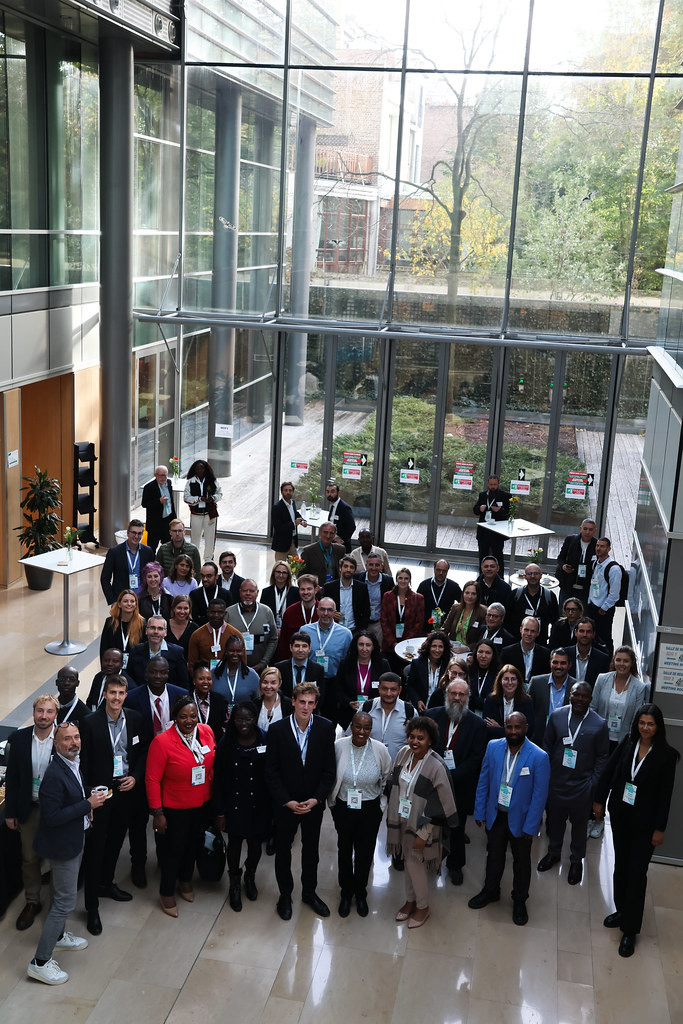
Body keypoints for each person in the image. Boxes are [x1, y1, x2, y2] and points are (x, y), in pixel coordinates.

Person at [593, 704, 679, 957]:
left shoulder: (666, 756)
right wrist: (599, 800)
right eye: (642, 723)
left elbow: (665, 797)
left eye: (650, 724)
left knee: (636, 873)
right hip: (621, 817)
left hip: (646, 825)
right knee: (621, 867)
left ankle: (630, 930)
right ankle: (621, 910)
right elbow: (609, 771)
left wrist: (659, 829)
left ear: (658, 727)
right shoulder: (628, 743)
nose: (645, 728)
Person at [27, 721, 108, 986]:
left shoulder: (72, 763)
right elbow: (51, 817)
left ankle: (60, 937)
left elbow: (71, 799)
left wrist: (87, 807)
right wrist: (88, 804)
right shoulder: (53, 775)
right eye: (67, 739)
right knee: (64, 902)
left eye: (76, 737)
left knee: (60, 896)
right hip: (63, 846)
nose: (73, 742)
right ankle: (40, 962)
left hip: (74, 837)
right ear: (55, 743)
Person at [79, 676, 148, 934]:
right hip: (100, 793)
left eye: (121, 693)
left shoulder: (136, 718)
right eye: (112, 693)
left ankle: (106, 883)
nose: (117, 697)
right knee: (96, 847)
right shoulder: (89, 723)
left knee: (117, 839)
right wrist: (88, 798)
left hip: (125, 790)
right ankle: (91, 906)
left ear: (126, 695)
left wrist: (136, 777)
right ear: (104, 694)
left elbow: (142, 753)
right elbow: (83, 764)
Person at [469, 712, 550, 926]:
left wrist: (531, 825)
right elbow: (484, 780)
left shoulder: (539, 756)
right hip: (495, 815)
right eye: (509, 727)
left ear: (526, 728)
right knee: (494, 856)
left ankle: (520, 900)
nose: (513, 731)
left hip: (522, 821)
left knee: (522, 863)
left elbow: (539, 796)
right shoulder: (493, 747)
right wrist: (479, 811)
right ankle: (491, 891)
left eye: (517, 727)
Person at [264, 682, 337, 920]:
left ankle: (309, 893)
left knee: (311, 852)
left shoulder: (326, 729)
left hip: (313, 804)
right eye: (301, 702)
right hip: (286, 805)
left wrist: (316, 799)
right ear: (293, 702)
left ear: (316, 705)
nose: (305, 707)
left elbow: (329, 771)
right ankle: (285, 895)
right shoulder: (277, 730)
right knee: (283, 850)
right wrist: (287, 801)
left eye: (310, 703)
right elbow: (271, 771)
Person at [145, 695, 216, 917]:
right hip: (175, 808)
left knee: (193, 846)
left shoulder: (206, 732)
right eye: (183, 716)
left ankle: (185, 880)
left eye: (193, 715)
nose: (189, 720)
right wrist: (157, 813)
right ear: (175, 718)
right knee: (173, 851)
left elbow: (212, 764)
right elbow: (152, 779)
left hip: (202, 804)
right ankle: (166, 891)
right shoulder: (162, 742)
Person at [386, 715, 457, 929]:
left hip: (423, 827)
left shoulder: (436, 766)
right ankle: (410, 902)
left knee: (414, 863)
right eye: (412, 736)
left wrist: (424, 833)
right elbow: (393, 783)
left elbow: (443, 804)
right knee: (408, 861)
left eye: (421, 738)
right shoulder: (403, 754)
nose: (414, 742)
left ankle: (423, 907)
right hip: (402, 819)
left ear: (430, 741)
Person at [537, 682, 609, 885]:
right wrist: (547, 775)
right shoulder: (558, 716)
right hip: (557, 782)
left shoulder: (599, 724)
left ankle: (577, 860)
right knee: (555, 822)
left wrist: (592, 783)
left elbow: (603, 756)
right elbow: (547, 745)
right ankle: (553, 853)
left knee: (579, 827)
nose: (580, 699)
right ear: (570, 695)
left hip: (582, 786)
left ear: (591, 700)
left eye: (584, 696)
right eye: (576, 695)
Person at [329, 712, 392, 917]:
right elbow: (331, 775)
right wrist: (333, 804)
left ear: (371, 729)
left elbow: (386, 778)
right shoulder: (339, 746)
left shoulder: (380, 750)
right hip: (344, 807)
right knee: (344, 850)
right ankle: (346, 893)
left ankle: (361, 892)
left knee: (365, 853)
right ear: (351, 726)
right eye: (358, 726)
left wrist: (381, 805)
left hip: (369, 809)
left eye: (366, 728)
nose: (362, 732)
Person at [5, 694, 58, 931]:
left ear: (56, 714)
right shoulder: (19, 738)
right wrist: (10, 812)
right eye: (40, 711)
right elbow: (13, 778)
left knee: (58, 859)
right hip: (29, 808)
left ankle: (57, 905)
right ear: (33, 712)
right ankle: (32, 902)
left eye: (49, 711)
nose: (44, 716)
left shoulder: (65, 737)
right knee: (29, 859)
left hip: (56, 811)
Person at [426, 679, 487, 885]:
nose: (457, 698)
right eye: (454, 694)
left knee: (457, 827)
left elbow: (476, 757)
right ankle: (430, 859)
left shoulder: (477, 724)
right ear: (447, 695)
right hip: (431, 785)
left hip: (460, 786)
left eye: (462, 695)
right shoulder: (431, 715)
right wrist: (436, 776)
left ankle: (455, 865)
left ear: (468, 697)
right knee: (430, 824)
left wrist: (451, 777)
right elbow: (424, 747)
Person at [214, 701, 270, 911]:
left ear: (255, 719)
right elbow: (218, 780)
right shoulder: (226, 743)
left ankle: (250, 875)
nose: (243, 723)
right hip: (234, 804)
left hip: (259, 803)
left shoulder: (266, 738)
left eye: (248, 719)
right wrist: (219, 812)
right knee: (235, 845)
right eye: (239, 719)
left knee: (255, 846)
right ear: (233, 720)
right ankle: (235, 884)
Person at [301, 596, 353, 721]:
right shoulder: (305, 630)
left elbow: (347, 662)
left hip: (333, 683)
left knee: (330, 720)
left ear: (334, 612)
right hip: (310, 681)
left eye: (329, 610)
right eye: (322, 609)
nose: (325, 613)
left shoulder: (346, 634)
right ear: (317, 611)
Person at [336, 630, 391, 727]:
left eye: (368, 645)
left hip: (375, 712)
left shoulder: (383, 665)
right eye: (361, 644)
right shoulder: (345, 664)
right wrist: (349, 702)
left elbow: (388, 688)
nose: (364, 648)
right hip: (349, 714)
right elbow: (338, 690)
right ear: (355, 646)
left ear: (373, 647)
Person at [124, 657, 189, 738]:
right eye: (153, 672)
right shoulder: (131, 698)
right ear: (146, 673)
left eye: (162, 672)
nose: (158, 676)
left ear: (167, 674)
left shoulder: (181, 695)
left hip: (174, 746)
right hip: (145, 748)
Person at [360, 673, 416, 763]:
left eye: (393, 689)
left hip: (399, 768)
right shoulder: (367, 707)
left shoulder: (409, 711)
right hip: (368, 766)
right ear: (378, 688)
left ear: (400, 690)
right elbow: (352, 735)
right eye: (384, 689)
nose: (388, 693)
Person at [225, 579, 278, 672]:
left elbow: (273, 638)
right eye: (245, 591)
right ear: (240, 592)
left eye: (252, 591)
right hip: (234, 668)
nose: (248, 593)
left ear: (257, 593)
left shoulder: (266, 611)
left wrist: (263, 663)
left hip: (260, 669)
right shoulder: (228, 613)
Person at [127, 614, 190, 690]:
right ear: (146, 630)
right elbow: (130, 678)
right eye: (152, 628)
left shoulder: (177, 652)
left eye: (160, 628)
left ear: (165, 632)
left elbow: (183, 681)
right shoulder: (135, 651)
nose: (156, 632)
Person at [527, 648, 575, 746]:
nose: (558, 666)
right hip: (538, 739)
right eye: (555, 662)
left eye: (563, 663)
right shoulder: (536, 682)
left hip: (564, 740)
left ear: (569, 665)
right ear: (550, 663)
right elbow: (527, 710)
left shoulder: (576, 686)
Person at [380, 568, 425, 672]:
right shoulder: (388, 596)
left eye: (406, 578)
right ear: (396, 579)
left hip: (408, 645)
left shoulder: (418, 598)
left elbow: (419, 623)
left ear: (410, 580)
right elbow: (384, 620)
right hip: (390, 644)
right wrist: (393, 643)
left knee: (405, 672)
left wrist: (404, 643)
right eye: (400, 578)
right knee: (390, 671)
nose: (403, 581)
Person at [100, 520, 154, 605]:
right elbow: (105, 578)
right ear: (128, 533)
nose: (136, 536)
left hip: (142, 600)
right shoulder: (114, 552)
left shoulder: (148, 551)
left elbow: (151, 574)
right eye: (133, 533)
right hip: (121, 600)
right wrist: (112, 600)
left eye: (139, 533)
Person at [586, 537, 622, 654]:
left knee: (604, 637)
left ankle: (608, 661)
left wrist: (604, 608)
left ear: (608, 549)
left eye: (602, 546)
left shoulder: (614, 569)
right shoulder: (595, 563)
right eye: (597, 546)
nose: (598, 549)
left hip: (603, 610)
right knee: (592, 636)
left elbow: (614, 593)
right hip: (592, 606)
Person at [507, 563, 559, 646]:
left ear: (541, 576)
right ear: (525, 576)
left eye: (536, 573)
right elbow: (507, 619)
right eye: (529, 573)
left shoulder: (549, 596)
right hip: (517, 642)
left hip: (541, 643)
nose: (532, 576)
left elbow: (555, 622)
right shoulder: (516, 594)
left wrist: (552, 642)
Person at [187, 598, 243, 671]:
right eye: (213, 612)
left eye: (220, 612)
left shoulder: (235, 634)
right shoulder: (197, 635)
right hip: (205, 679)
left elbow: (242, 662)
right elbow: (192, 664)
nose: (216, 615)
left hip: (229, 678)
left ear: (225, 613)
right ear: (207, 612)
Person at [404, 630, 453, 712]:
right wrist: (417, 701)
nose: (437, 650)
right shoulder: (417, 664)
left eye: (440, 647)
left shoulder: (449, 666)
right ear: (428, 647)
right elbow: (410, 685)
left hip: (441, 708)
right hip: (420, 707)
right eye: (434, 646)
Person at [483, 664, 535, 740]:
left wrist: (499, 729)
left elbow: (528, 731)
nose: (510, 682)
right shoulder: (491, 700)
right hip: (496, 744)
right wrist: (513, 732)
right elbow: (487, 729)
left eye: (513, 679)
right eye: (506, 679)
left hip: (519, 745)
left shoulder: (526, 701)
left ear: (518, 682)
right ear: (500, 681)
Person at [183, 458, 222, 560]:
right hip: (196, 514)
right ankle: (194, 559)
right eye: (197, 469)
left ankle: (208, 559)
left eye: (202, 468)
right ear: (194, 470)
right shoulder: (190, 482)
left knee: (210, 538)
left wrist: (212, 498)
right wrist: (199, 499)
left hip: (210, 514)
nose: (200, 470)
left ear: (206, 469)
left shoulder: (212, 481)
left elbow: (219, 493)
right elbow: (186, 498)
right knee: (195, 538)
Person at [353, 552, 394, 648]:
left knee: (378, 650)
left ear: (381, 567)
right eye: (371, 565)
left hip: (378, 623)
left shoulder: (388, 581)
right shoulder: (357, 578)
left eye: (377, 565)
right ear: (366, 566)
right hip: (362, 623)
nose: (374, 568)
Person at [323, 555, 371, 633]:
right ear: (340, 568)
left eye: (351, 567)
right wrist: (331, 614)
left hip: (355, 630)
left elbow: (366, 611)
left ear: (355, 570)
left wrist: (361, 631)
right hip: (334, 630)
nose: (348, 569)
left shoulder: (362, 588)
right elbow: (323, 608)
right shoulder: (329, 587)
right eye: (345, 566)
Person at [275, 573, 319, 658]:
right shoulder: (290, 612)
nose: (305, 592)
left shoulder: (323, 611)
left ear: (316, 589)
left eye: (309, 589)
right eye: (302, 589)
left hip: (317, 660)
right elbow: (283, 642)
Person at [99, 589, 146, 666]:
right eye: (125, 601)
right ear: (119, 604)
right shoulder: (110, 622)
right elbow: (104, 648)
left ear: (136, 604)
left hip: (135, 667)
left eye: (132, 601)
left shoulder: (142, 623)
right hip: (114, 666)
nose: (129, 604)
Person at [556, 518, 597, 606]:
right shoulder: (570, 540)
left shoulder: (597, 545)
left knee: (582, 615)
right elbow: (560, 558)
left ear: (595, 531)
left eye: (590, 529)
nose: (587, 532)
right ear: (580, 528)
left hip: (586, 588)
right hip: (568, 585)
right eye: (585, 529)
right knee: (563, 613)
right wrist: (564, 567)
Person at [274, 631, 326, 699]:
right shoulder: (280, 668)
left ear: (309, 648)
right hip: (286, 708)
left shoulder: (318, 669)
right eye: (297, 646)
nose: (300, 650)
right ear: (291, 647)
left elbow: (320, 696)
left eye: (304, 646)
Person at [473, 474, 510, 568]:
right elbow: (475, 510)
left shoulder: (505, 496)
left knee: (498, 556)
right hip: (483, 532)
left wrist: (500, 510)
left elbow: (509, 513)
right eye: (491, 484)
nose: (493, 486)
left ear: (498, 484)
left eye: (495, 484)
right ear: (487, 484)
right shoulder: (482, 495)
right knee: (482, 556)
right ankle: (482, 578)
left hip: (497, 533)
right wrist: (479, 509)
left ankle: (499, 578)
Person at [212, 634, 260, 707]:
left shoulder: (252, 675)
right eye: (231, 650)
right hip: (219, 717)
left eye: (238, 651)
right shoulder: (214, 673)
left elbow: (258, 701)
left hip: (244, 717)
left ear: (243, 651)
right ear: (226, 651)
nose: (235, 654)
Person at [501, 616, 551, 686]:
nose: (529, 634)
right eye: (526, 630)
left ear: (538, 633)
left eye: (533, 631)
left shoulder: (545, 654)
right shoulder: (507, 652)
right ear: (521, 629)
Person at [416, 559, 462, 632]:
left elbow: (463, 603)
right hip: (425, 626)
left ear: (447, 571)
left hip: (445, 627)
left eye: (444, 571)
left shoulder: (454, 587)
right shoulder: (424, 585)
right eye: (438, 570)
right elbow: (417, 606)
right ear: (434, 569)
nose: (441, 573)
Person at [566, 616, 610, 686]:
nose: (585, 635)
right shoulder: (565, 654)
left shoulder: (603, 659)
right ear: (575, 632)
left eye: (588, 632)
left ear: (593, 634)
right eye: (581, 631)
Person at [141, 465, 176, 553]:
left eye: (165, 475)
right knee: (151, 549)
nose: (163, 478)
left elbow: (171, 502)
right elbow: (144, 504)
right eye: (160, 475)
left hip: (167, 521)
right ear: (155, 475)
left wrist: (174, 519)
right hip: (155, 523)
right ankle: (151, 566)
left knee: (167, 548)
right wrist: (159, 501)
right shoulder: (149, 487)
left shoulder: (169, 483)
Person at [190, 661, 228, 743]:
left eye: (209, 679)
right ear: (194, 681)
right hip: (193, 745)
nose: (205, 682)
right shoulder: (187, 700)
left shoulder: (220, 700)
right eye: (201, 679)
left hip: (216, 745)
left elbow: (226, 725)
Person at [443, 580, 487, 649]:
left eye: (473, 594)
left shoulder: (483, 611)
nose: (469, 596)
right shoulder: (455, 608)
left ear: (478, 595)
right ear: (463, 593)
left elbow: (483, 638)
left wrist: (467, 648)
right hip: (452, 648)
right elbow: (445, 629)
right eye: (467, 593)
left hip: (469, 651)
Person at [300, 521, 345, 586]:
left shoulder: (340, 549)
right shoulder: (308, 551)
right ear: (319, 533)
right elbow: (301, 574)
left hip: (335, 588)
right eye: (325, 532)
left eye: (331, 533)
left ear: (335, 535)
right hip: (316, 589)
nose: (328, 536)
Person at [261, 560, 300, 629]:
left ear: (288, 575)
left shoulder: (295, 592)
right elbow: (263, 614)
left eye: (284, 573)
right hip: (272, 629)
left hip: (290, 629)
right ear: (273, 573)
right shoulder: (266, 592)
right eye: (278, 572)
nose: (281, 575)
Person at [271, 481, 304, 561]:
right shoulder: (277, 507)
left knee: (296, 567)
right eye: (285, 490)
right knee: (280, 567)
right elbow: (278, 527)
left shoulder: (293, 503)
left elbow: (295, 514)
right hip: (282, 543)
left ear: (293, 492)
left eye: (290, 490)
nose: (288, 492)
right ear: (282, 492)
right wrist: (294, 524)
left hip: (292, 541)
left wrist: (302, 521)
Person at [190, 560, 230, 626]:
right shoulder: (194, 594)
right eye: (202, 576)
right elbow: (194, 618)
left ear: (216, 576)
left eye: (209, 576)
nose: (205, 579)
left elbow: (228, 618)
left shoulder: (226, 594)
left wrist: (203, 617)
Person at [254, 666, 293, 732]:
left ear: (279, 683)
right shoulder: (255, 704)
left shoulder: (288, 704)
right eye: (265, 682)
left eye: (273, 683)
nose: (268, 686)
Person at [469, 639, 499, 716]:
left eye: (488, 653)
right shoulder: (468, 671)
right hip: (468, 713)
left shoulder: (498, 674)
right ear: (475, 653)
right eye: (480, 652)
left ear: (493, 656)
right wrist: (484, 701)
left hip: (490, 716)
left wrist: (474, 700)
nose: (483, 656)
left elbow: (495, 701)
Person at [325, 480, 356, 552]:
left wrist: (342, 540)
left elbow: (352, 526)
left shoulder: (344, 507)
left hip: (342, 546)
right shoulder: (332, 505)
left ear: (338, 493)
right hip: (331, 543)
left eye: (332, 492)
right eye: (327, 492)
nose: (329, 494)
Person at [166, 595, 200, 659]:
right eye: (179, 608)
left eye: (185, 608)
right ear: (173, 608)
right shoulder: (164, 625)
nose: (182, 612)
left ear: (190, 610)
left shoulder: (194, 628)